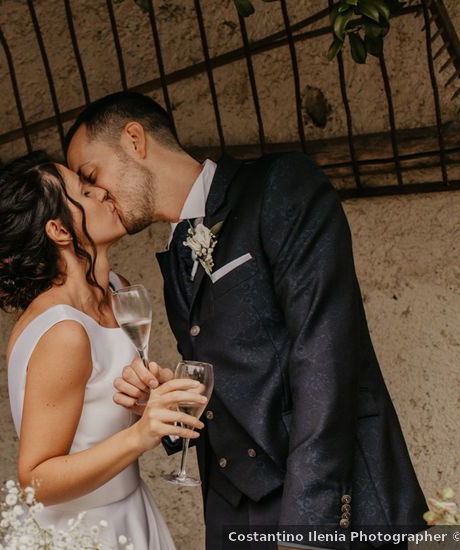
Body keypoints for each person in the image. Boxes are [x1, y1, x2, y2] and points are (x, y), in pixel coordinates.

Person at [64, 91, 427, 549]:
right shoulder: (177, 254)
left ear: (134, 139)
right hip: (234, 516)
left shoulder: (281, 185)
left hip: (328, 503)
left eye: (90, 176)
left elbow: (325, 356)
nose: (93, 196)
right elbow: (235, 377)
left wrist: (306, 530)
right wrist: (169, 407)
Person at [0, 151, 206, 549]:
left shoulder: (117, 290)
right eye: (84, 190)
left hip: (132, 512)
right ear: (59, 231)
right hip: (80, 531)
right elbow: (36, 479)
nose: (102, 191)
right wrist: (141, 436)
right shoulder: (64, 331)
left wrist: (146, 400)